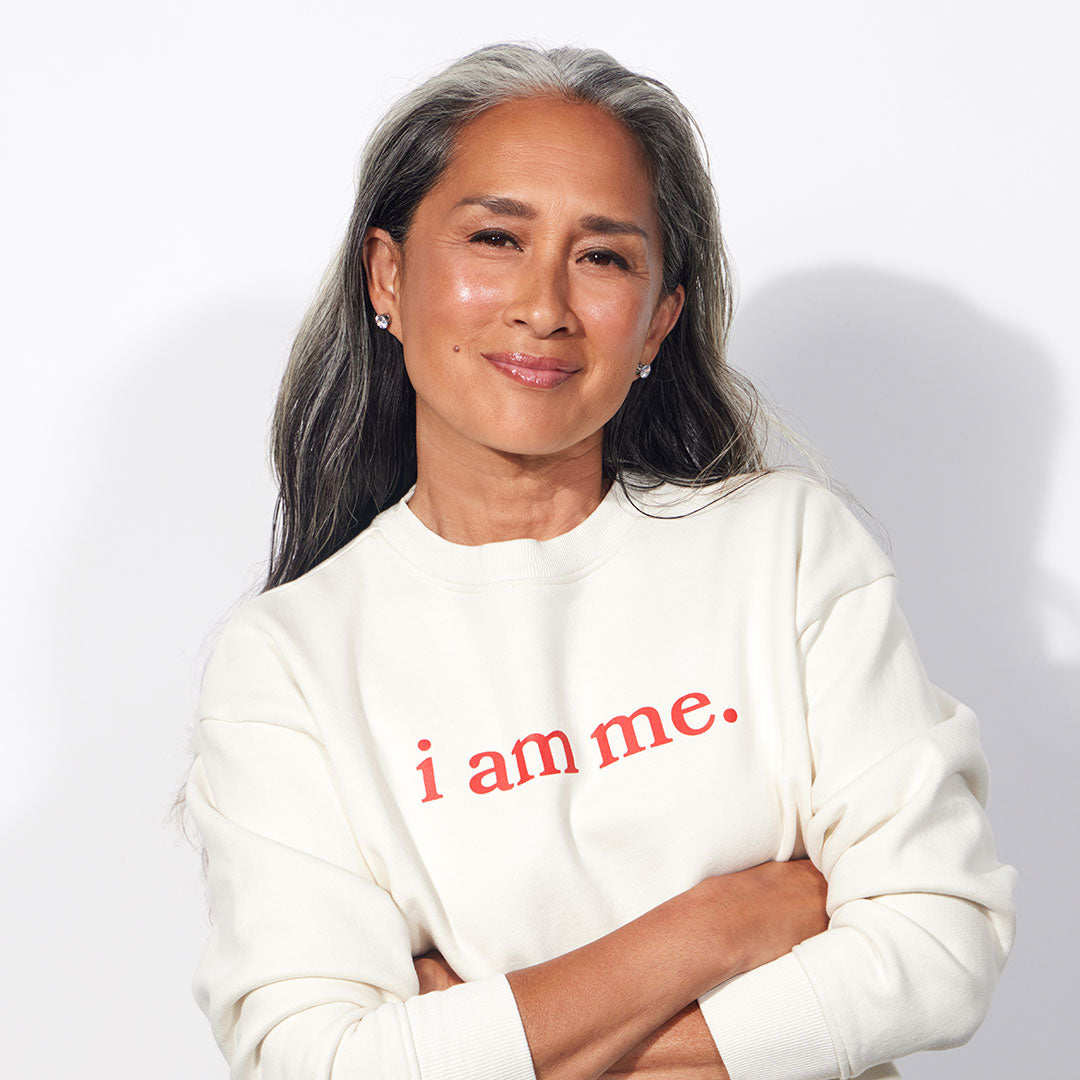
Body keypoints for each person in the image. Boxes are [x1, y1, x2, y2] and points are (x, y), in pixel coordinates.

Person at [178, 42, 1017, 1080]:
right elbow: (319, 1063)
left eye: (604, 257)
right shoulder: (288, 660)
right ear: (388, 274)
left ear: (660, 317)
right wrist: (716, 927)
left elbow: (940, 949)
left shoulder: (786, 549)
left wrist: (484, 1037)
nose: (544, 306)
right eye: (495, 238)